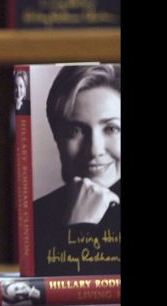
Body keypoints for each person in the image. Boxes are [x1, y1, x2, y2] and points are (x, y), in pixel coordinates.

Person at [32, 64, 120, 275]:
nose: (94, 150)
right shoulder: (35, 217)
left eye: (111, 128)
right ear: (57, 138)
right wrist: (80, 224)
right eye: (75, 130)